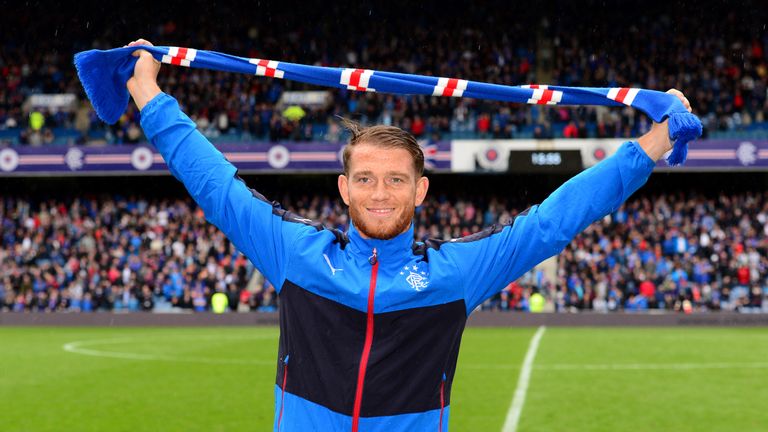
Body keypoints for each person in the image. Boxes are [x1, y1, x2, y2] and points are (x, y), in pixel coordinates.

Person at [124, 39, 692, 432]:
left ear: (420, 191)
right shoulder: (294, 253)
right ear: (344, 188)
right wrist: (148, 92)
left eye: (396, 180)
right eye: (366, 179)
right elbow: (214, 183)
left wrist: (654, 145)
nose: (380, 193)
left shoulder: (457, 271)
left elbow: (553, 221)